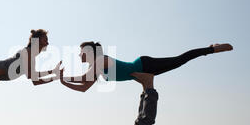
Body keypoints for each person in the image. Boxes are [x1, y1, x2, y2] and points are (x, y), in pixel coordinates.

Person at [59, 42, 233, 92]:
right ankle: (210, 49)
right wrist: (64, 81)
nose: (79, 55)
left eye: (81, 52)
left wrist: (62, 77)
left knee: (180, 59)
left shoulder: (100, 60)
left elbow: (83, 79)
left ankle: (212, 49)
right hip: (144, 73)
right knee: (180, 61)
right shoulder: (96, 68)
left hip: (144, 64)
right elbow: (85, 88)